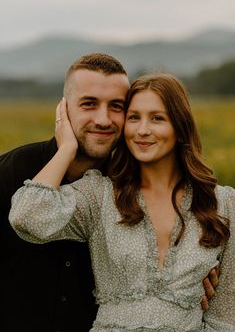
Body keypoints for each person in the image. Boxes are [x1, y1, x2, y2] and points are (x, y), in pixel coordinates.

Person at [9, 73, 234, 331]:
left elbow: (225, 316)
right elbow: (26, 217)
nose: (143, 130)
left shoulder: (224, 204)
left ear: (180, 126)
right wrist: (66, 149)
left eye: (157, 118)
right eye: (134, 117)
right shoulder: (100, 194)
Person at [0, 53, 130, 332]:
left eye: (116, 106)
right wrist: (67, 149)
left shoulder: (131, 185)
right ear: (64, 108)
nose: (104, 119)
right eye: (89, 104)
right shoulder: (11, 170)